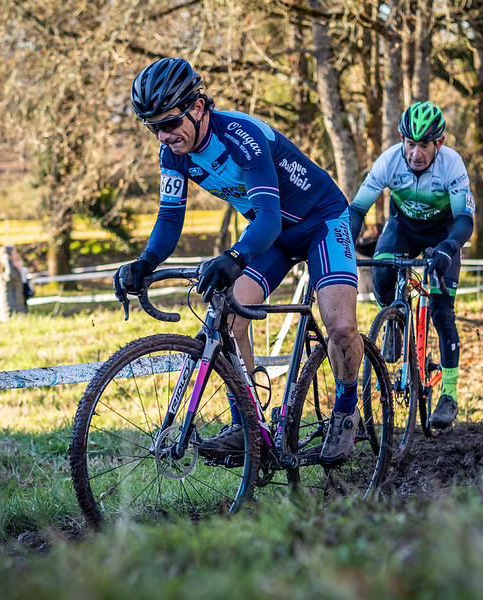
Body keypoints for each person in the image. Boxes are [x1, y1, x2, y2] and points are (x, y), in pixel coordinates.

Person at [113, 57, 364, 463]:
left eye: (169, 123)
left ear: (197, 108)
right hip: (273, 235)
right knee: (230, 317)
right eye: (153, 126)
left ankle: (346, 410)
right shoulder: (174, 154)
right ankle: (248, 424)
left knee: (340, 323)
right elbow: (170, 216)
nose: (162, 135)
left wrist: (234, 256)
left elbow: (267, 216)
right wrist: (145, 261)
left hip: (319, 219)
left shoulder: (241, 136)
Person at [348, 101, 475, 429]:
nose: (415, 153)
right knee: (382, 270)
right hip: (403, 228)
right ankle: (394, 320)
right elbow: (358, 209)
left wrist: (448, 248)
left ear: (439, 144)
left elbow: (464, 219)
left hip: (443, 234)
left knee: (442, 311)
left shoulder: (452, 165)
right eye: (410, 144)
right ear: (401, 141)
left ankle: (448, 394)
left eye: (424, 146)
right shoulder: (389, 161)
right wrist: (343, 243)